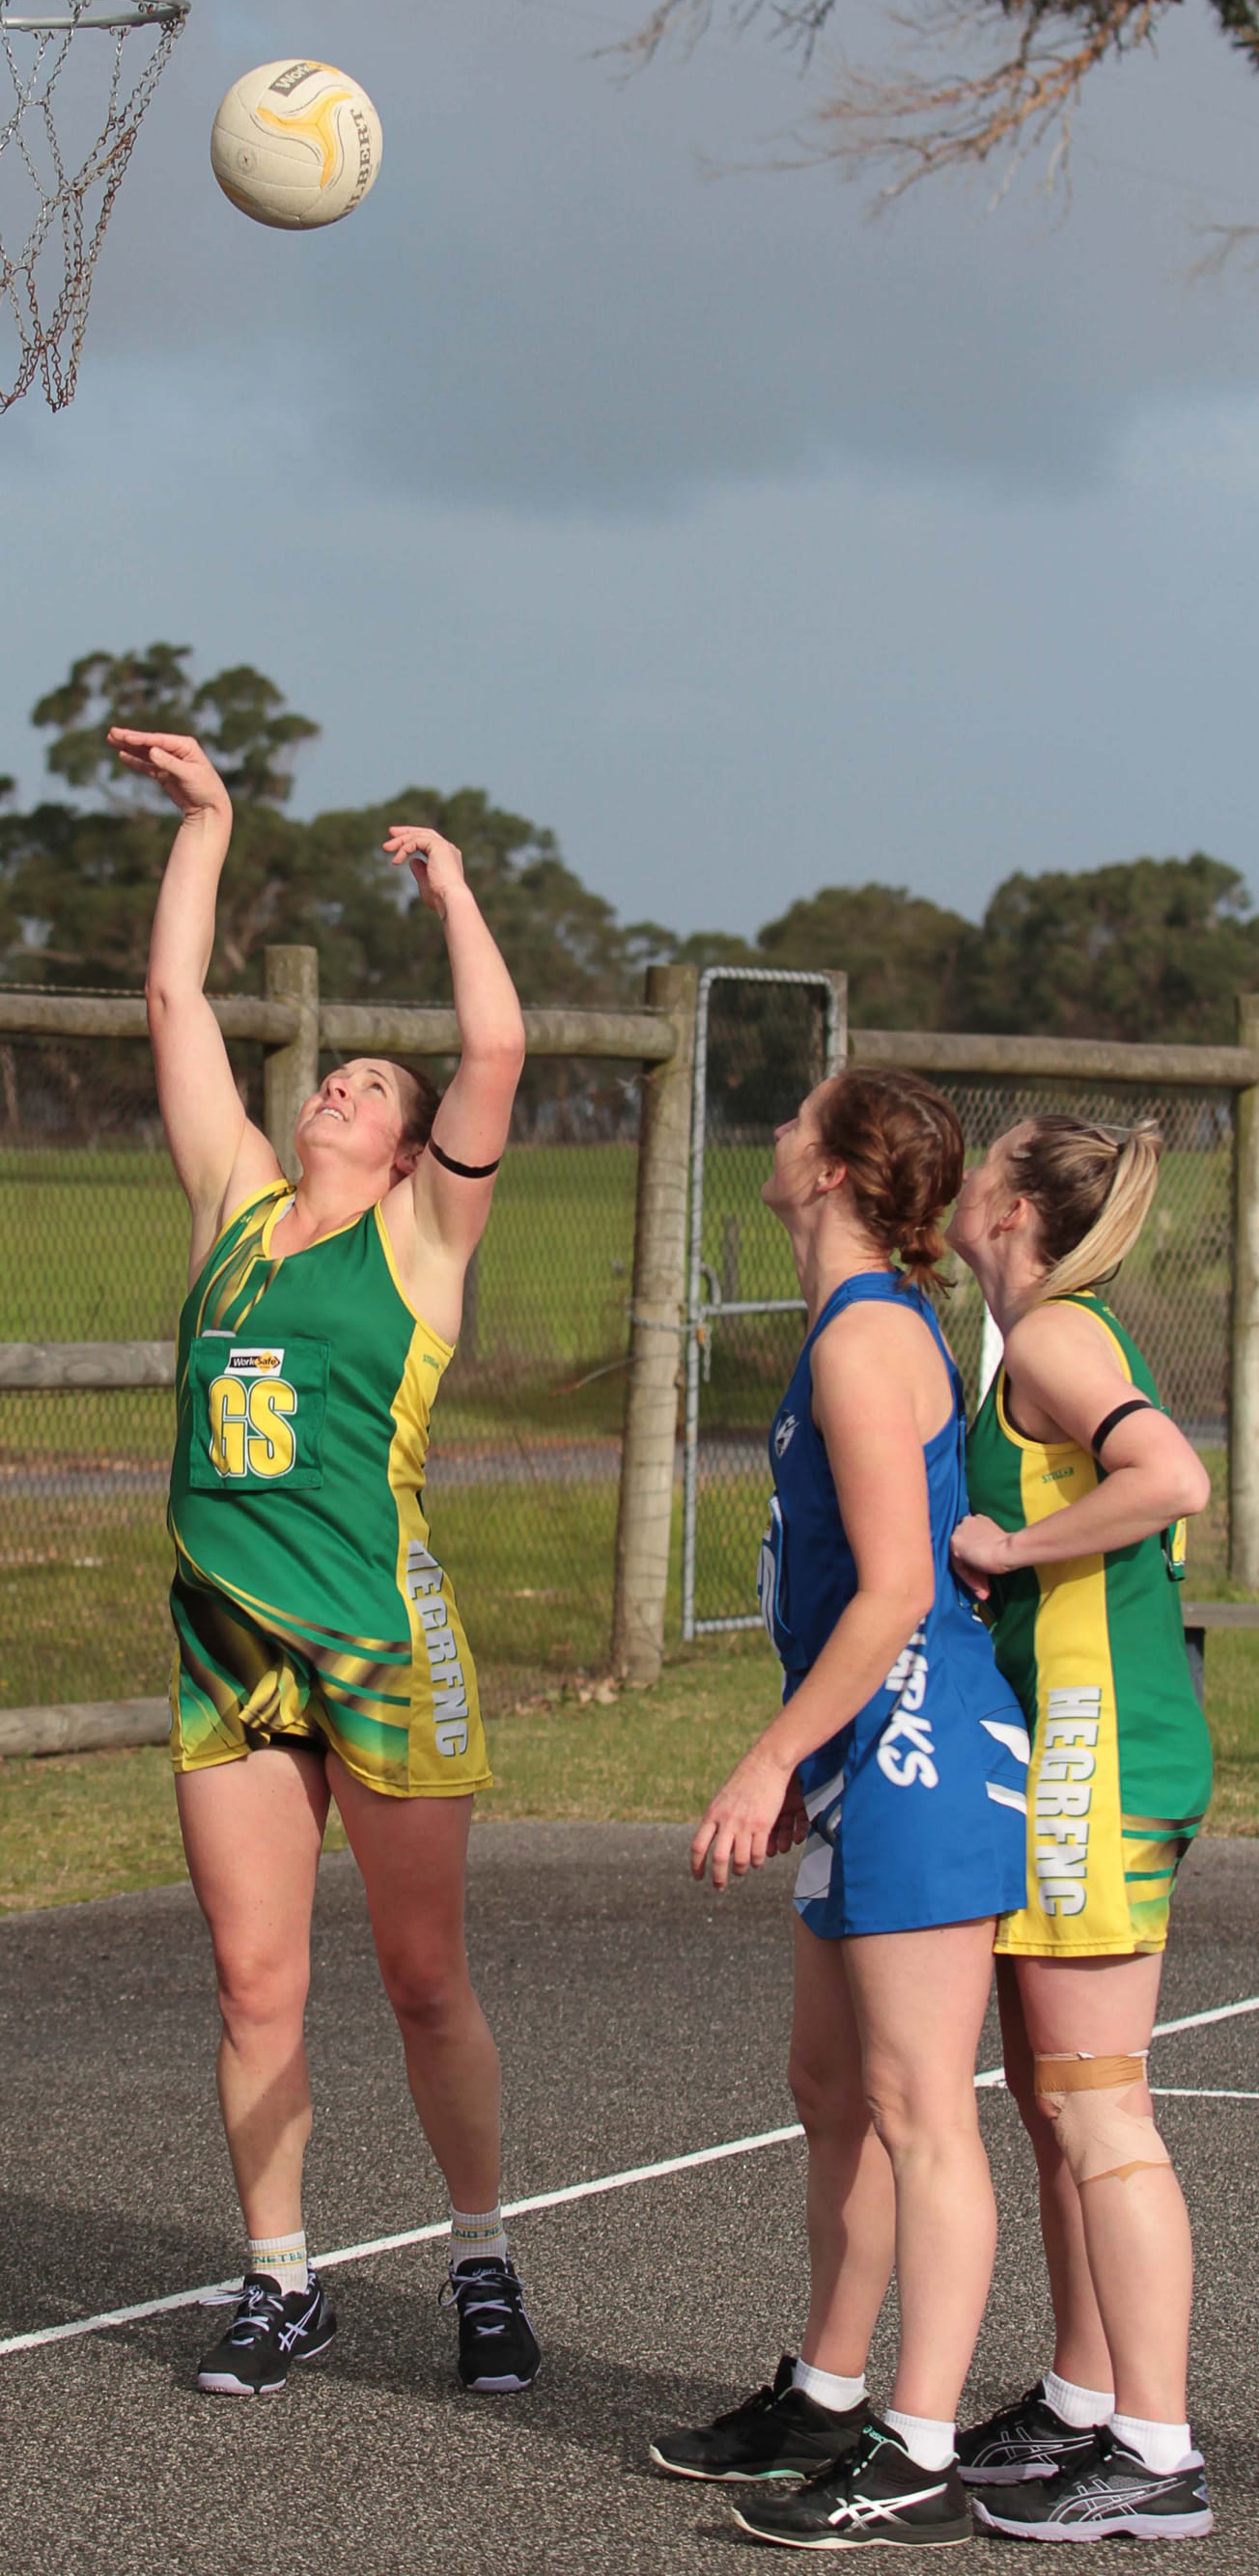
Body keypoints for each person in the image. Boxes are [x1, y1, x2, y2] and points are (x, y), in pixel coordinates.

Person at [121, 723, 536, 2400]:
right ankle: (279, 2277)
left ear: (410, 1143)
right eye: (335, 1076)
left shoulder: (423, 1238)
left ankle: (483, 2259)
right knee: (250, 1977)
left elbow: (496, 1046)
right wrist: (207, 821)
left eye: (372, 1086)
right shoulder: (233, 1200)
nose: (339, 1085)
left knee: (422, 1975)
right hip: (230, 1641)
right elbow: (173, 1005)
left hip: (378, 1631)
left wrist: (450, 890)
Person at [653, 1066, 1029, 2550]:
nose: (775, 1129)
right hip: (864, 1751)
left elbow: (895, 1590)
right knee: (833, 2093)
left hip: (917, 1746)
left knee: (923, 2112)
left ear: (832, 1172)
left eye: (798, 1119)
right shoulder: (845, 1326)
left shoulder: (869, 1342)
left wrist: (768, 1760)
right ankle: (824, 2392)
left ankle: (921, 2447)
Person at [945, 1115, 1215, 2543]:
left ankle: (1160, 2455)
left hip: (1095, 1772)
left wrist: (1008, 1548)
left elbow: (1173, 1480)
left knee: (1103, 2109)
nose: (964, 1178)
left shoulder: (1055, 1336)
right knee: (1062, 2109)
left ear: (1013, 1206)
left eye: (984, 1161)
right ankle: (1084, 2398)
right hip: (1075, 1757)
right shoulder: (1044, 1339)